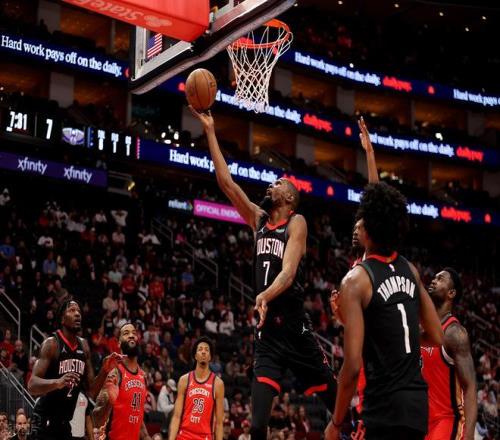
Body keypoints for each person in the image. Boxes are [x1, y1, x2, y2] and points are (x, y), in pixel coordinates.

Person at [190, 107, 337, 440]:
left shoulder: (296, 222)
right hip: (268, 336)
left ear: (290, 198)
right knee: (257, 426)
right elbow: (227, 184)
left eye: (279, 183)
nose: (272, 185)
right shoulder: (258, 220)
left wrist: (264, 295)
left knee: (338, 404)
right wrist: (210, 131)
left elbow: (289, 272)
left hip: (296, 328)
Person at [325, 183, 444, 440]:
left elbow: (352, 365)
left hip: (383, 406)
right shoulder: (410, 269)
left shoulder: (355, 280)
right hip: (416, 406)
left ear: (368, 230)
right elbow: (436, 335)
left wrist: (335, 423)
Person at [28, 299, 122, 440]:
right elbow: (31, 385)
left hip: (65, 423)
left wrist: (104, 370)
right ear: (62, 319)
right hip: (44, 421)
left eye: (78, 311)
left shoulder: (84, 346)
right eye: (72, 310)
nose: (77, 314)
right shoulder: (51, 344)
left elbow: (91, 391)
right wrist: (58, 382)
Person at [421, 269, 477, 440]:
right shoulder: (420, 327)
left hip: (446, 421)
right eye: (434, 278)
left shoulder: (455, 333)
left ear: (451, 293)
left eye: (440, 279)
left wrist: (468, 436)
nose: (433, 281)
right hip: (419, 421)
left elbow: (470, 387)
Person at [92, 323, 152, 440]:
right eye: (126, 333)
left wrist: (146, 437)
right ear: (119, 343)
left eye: (134, 333)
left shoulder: (143, 376)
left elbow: (138, 418)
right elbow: (97, 416)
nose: (131, 335)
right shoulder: (115, 373)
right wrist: (107, 400)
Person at [168, 337, 225, 440]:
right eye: (200, 349)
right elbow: (176, 416)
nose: (203, 352)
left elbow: (219, 423)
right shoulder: (184, 380)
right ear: (195, 356)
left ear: (210, 357)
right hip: (184, 435)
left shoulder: (218, 384)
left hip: (205, 436)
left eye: (206, 350)